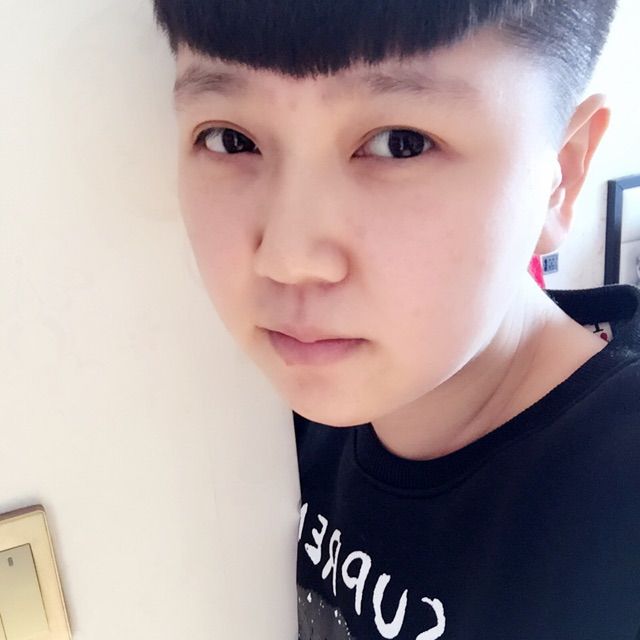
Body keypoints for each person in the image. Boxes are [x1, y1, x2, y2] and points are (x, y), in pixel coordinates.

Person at [153, 1, 640, 637]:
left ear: (561, 178)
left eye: (399, 144)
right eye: (230, 139)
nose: (289, 259)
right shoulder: (257, 422)